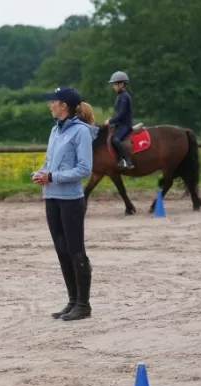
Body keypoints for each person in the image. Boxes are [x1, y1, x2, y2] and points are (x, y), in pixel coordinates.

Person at [32, 86, 96, 321]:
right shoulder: (55, 131)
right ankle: (72, 300)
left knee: (76, 251)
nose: (50, 105)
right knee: (62, 251)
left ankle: (84, 304)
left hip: (70, 200)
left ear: (64, 106)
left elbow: (84, 169)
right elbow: (50, 162)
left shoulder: (80, 132)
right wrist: (41, 173)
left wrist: (53, 177)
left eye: (53, 101)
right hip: (51, 197)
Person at [104, 71, 135, 170]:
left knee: (115, 139)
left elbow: (121, 114)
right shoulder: (121, 95)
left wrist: (110, 121)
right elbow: (118, 113)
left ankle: (128, 161)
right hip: (120, 123)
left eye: (115, 84)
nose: (113, 86)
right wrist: (111, 119)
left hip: (125, 125)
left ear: (121, 84)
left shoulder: (124, 97)